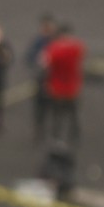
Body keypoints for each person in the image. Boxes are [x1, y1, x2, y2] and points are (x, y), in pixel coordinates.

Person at [41, 23, 85, 147]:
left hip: (57, 87)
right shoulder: (77, 47)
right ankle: (75, 136)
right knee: (73, 113)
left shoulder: (53, 48)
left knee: (57, 114)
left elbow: (44, 64)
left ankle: (57, 137)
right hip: (73, 87)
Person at [26, 13, 58, 141]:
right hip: (42, 80)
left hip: (55, 80)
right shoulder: (38, 42)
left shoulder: (57, 41)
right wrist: (38, 60)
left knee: (56, 109)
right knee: (40, 109)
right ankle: (39, 133)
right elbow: (29, 58)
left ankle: (55, 135)